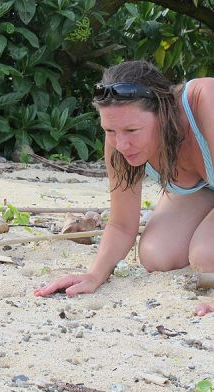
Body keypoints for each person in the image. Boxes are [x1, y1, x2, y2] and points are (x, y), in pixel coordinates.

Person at [34, 60, 214, 316]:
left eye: (132, 130)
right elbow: (121, 225)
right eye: (110, 130)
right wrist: (95, 275)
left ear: (163, 112)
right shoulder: (118, 142)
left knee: (206, 256)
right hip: (206, 189)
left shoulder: (204, 100)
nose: (122, 144)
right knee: (156, 255)